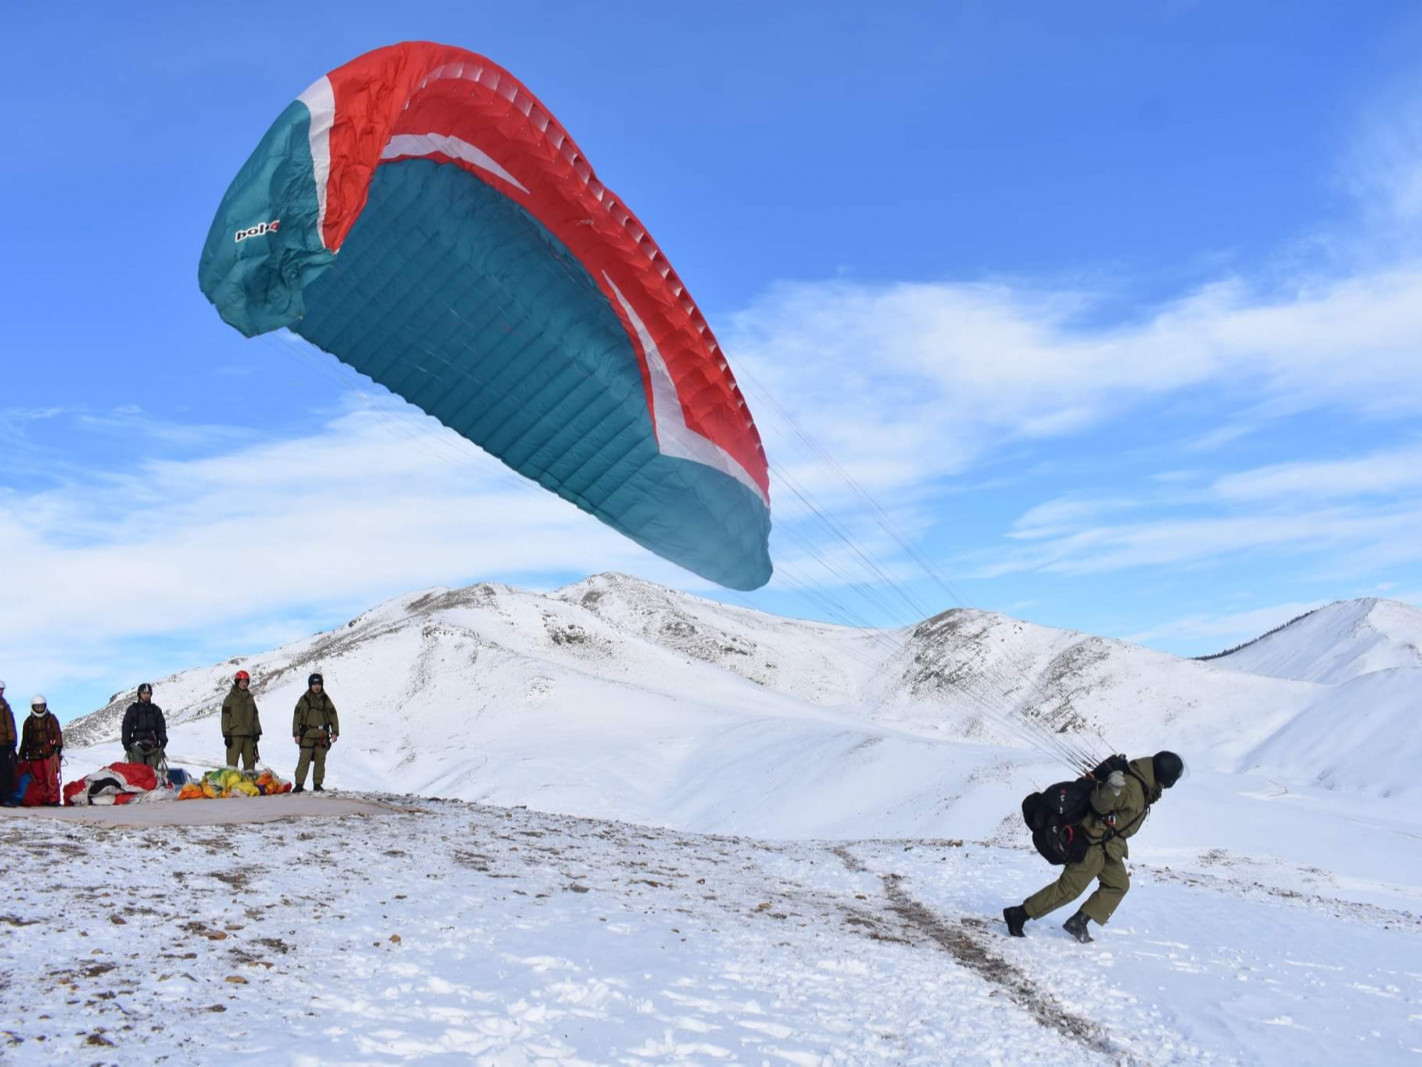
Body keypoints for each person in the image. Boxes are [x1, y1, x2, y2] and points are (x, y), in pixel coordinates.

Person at [1004, 751, 1185, 943]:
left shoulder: (1144, 784)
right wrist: (1111, 790)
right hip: (1094, 842)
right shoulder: (1132, 787)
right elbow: (1100, 804)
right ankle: (1019, 914)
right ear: (1167, 778)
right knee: (1069, 889)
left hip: (1110, 845)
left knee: (1118, 884)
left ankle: (1079, 921)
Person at [291, 672, 339, 794]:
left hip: (322, 735)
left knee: (320, 761)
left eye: (318, 684)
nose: (316, 687)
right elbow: (297, 717)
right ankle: (299, 785)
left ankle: (317, 784)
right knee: (304, 760)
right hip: (307, 735)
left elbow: (333, 716)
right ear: (310, 685)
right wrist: (296, 734)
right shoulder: (304, 699)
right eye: (314, 684)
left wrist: (335, 732)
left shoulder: (325, 699)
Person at [18, 695, 64, 806]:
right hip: (34, 755)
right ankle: (44, 799)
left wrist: (58, 748)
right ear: (32, 707)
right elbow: (25, 739)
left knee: (51, 778)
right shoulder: (28, 722)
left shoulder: (51, 719)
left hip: (49, 753)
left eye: (41, 707)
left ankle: (54, 800)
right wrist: (22, 754)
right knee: (39, 780)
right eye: (37, 707)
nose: (39, 709)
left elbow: (57, 733)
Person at [221, 670, 262, 771]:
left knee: (250, 767)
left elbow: (255, 716)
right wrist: (226, 734)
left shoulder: (250, 698)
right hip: (234, 735)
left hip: (249, 736)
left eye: (246, 682)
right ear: (237, 682)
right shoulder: (229, 698)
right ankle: (231, 785)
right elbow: (225, 717)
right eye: (242, 681)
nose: (244, 684)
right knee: (231, 766)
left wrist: (257, 731)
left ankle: (249, 785)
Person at [121, 683, 168, 768]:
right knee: (138, 772)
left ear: (150, 694)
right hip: (136, 746)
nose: (146, 695)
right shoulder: (132, 709)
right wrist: (126, 742)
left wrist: (163, 741)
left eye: (148, 693)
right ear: (139, 694)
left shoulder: (156, 710)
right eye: (144, 693)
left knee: (152, 773)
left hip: (153, 746)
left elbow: (161, 727)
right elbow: (126, 726)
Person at [0, 681, 16, 807]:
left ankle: (5, 798)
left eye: (2, 690)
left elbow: (10, 724)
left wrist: (12, 740)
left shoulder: (5, 706)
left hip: (3, 744)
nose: (0, 692)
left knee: (5, 771)